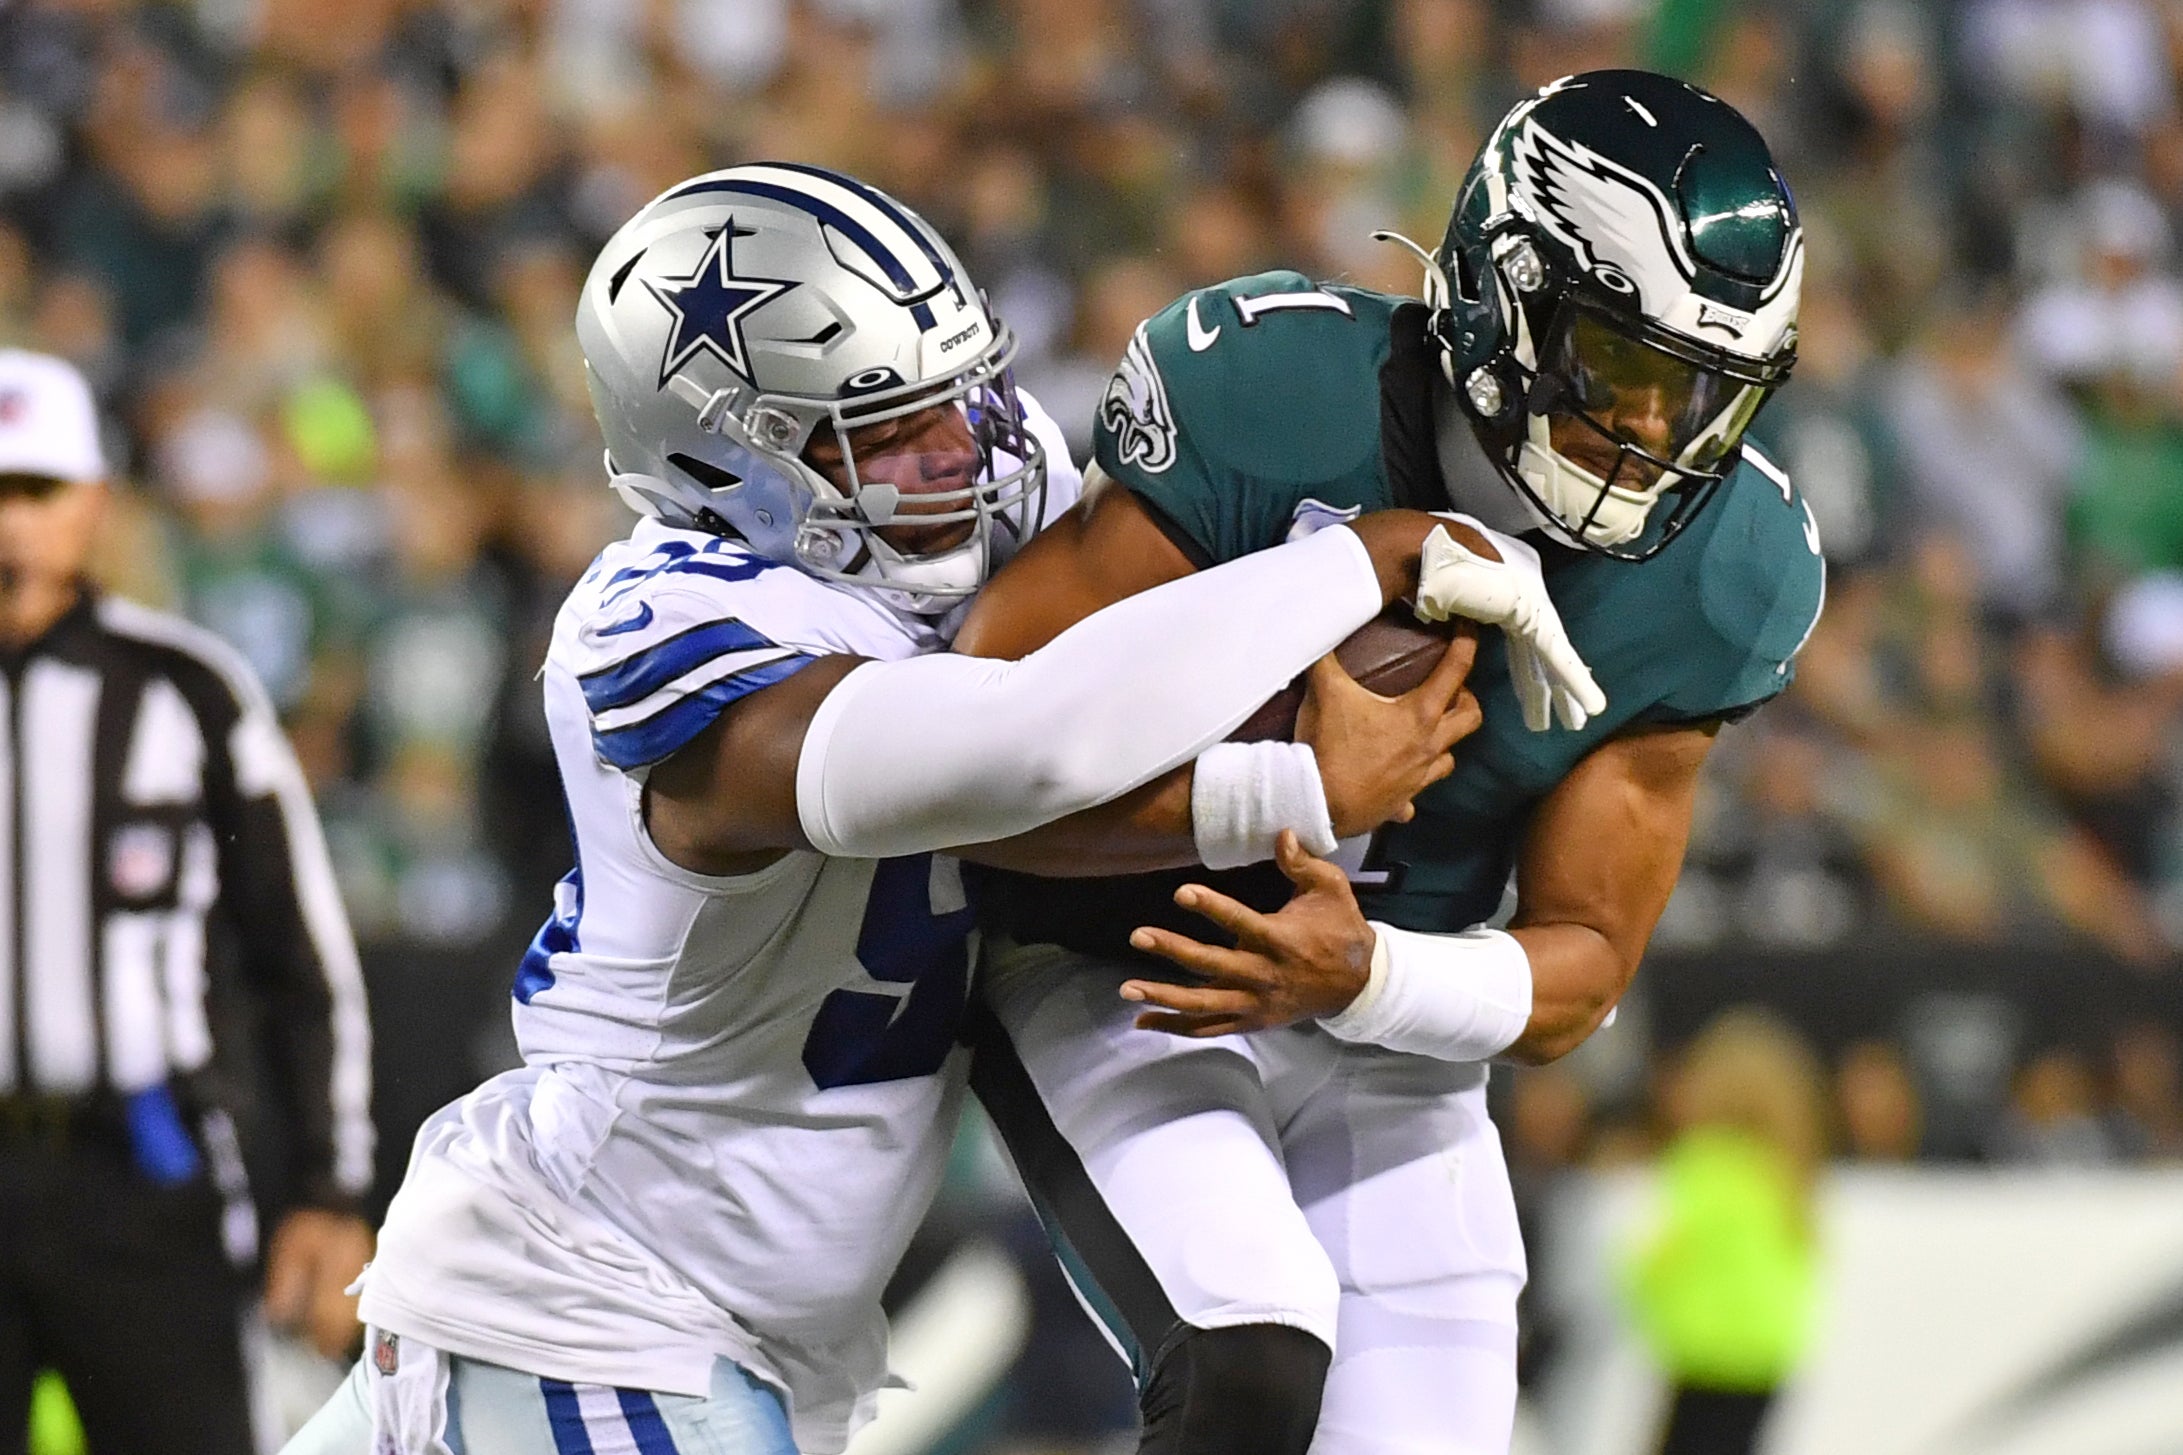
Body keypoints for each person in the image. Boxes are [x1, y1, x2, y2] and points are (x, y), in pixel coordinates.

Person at [283, 164, 1582, 1454]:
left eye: (955, 395)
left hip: (701, 1323)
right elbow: (1026, 747)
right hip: (594, 1304)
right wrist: (1362, 566)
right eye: (885, 427)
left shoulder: (965, 513)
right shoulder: (667, 629)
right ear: (724, 454)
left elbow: (1126, 654)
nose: (958, 450)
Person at [954, 70, 1823, 1454]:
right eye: (1628, 372)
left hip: (1392, 1040)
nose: (1657, 436)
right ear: (1504, 295)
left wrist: (1368, 976)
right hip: (1121, 967)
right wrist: (1283, 782)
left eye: (1706, 396)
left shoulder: (1725, 569)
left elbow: (1584, 964)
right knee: (1245, 1358)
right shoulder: (1274, 395)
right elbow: (969, 769)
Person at [0, 348, 374, 1452]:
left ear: (94, 503)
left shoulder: (186, 691)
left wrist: (330, 1187)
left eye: (35, 490)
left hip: (137, 1173)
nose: (9, 524)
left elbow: (297, 952)